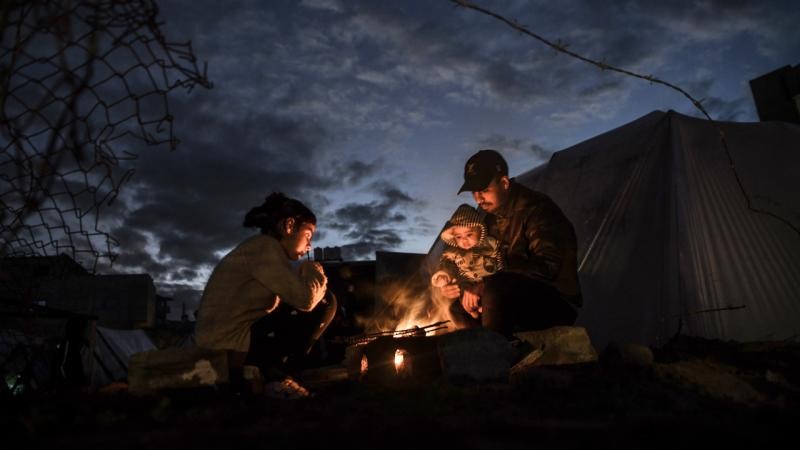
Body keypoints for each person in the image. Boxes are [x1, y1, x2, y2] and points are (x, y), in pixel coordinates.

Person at [195, 192, 336, 398]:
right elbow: (305, 299)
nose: (309, 245)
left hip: (228, 341)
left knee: (292, 306)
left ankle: (274, 374)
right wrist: (311, 269)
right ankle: (276, 378)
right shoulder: (265, 247)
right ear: (289, 226)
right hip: (228, 346)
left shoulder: (261, 248)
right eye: (308, 235)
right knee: (325, 300)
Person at [440, 149, 582, 336]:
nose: (478, 198)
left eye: (484, 190)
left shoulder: (537, 209)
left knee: (494, 288)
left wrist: (486, 285)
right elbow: (477, 262)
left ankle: (494, 349)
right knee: (458, 308)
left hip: (555, 300)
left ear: (505, 183)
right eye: (474, 192)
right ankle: (482, 346)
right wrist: (462, 286)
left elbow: (547, 267)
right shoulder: (490, 220)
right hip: (506, 293)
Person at [431, 204, 503, 319]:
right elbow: (447, 263)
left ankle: (484, 311)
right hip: (467, 285)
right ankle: (472, 313)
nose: (464, 240)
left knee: (491, 299)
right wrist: (443, 275)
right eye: (458, 237)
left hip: (489, 282)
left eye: (469, 234)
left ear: (481, 231)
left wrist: (497, 277)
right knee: (458, 302)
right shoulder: (454, 253)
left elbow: (500, 262)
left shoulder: (491, 245)